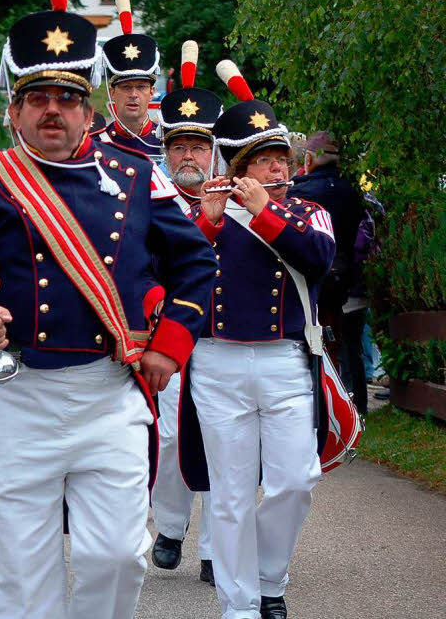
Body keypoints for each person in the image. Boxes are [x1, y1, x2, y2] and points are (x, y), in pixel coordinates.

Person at [0, 0, 217, 617]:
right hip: (16, 399)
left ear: (89, 106)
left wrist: (171, 342)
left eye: (65, 98)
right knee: (21, 579)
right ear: (15, 106)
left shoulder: (138, 174)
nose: (51, 111)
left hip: (108, 395)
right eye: (36, 98)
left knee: (116, 555)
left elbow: (198, 261)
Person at [185, 61, 335, 619]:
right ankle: (240, 603)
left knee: (294, 481)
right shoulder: (208, 214)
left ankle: (271, 579)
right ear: (238, 165)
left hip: (285, 361)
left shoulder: (306, 211)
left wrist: (264, 209)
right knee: (229, 494)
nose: (277, 167)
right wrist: (207, 222)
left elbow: (318, 260)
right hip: (218, 361)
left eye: (281, 159)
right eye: (264, 160)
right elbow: (175, 276)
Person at [148, 41, 223, 584]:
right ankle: (171, 526)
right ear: (166, 151)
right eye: (180, 147)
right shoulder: (149, 201)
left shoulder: (239, 198)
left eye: (199, 146)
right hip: (170, 333)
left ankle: (217, 547)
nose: (189, 157)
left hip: (226, 339)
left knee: (224, 441)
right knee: (173, 434)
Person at [287, 131, 368, 413]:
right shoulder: (353, 191)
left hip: (313, 276)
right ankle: (357, 406)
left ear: (308, 158)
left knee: (315, 341)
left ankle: (323, 404)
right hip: (348, 276)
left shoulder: (299, 191)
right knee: (350, 345)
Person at [101, 0, 163, 158]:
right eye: (126, 87)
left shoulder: (167, 144)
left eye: (141, 87)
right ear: (112, 92)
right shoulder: (98, 143)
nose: (133, 95)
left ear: (152, 92)